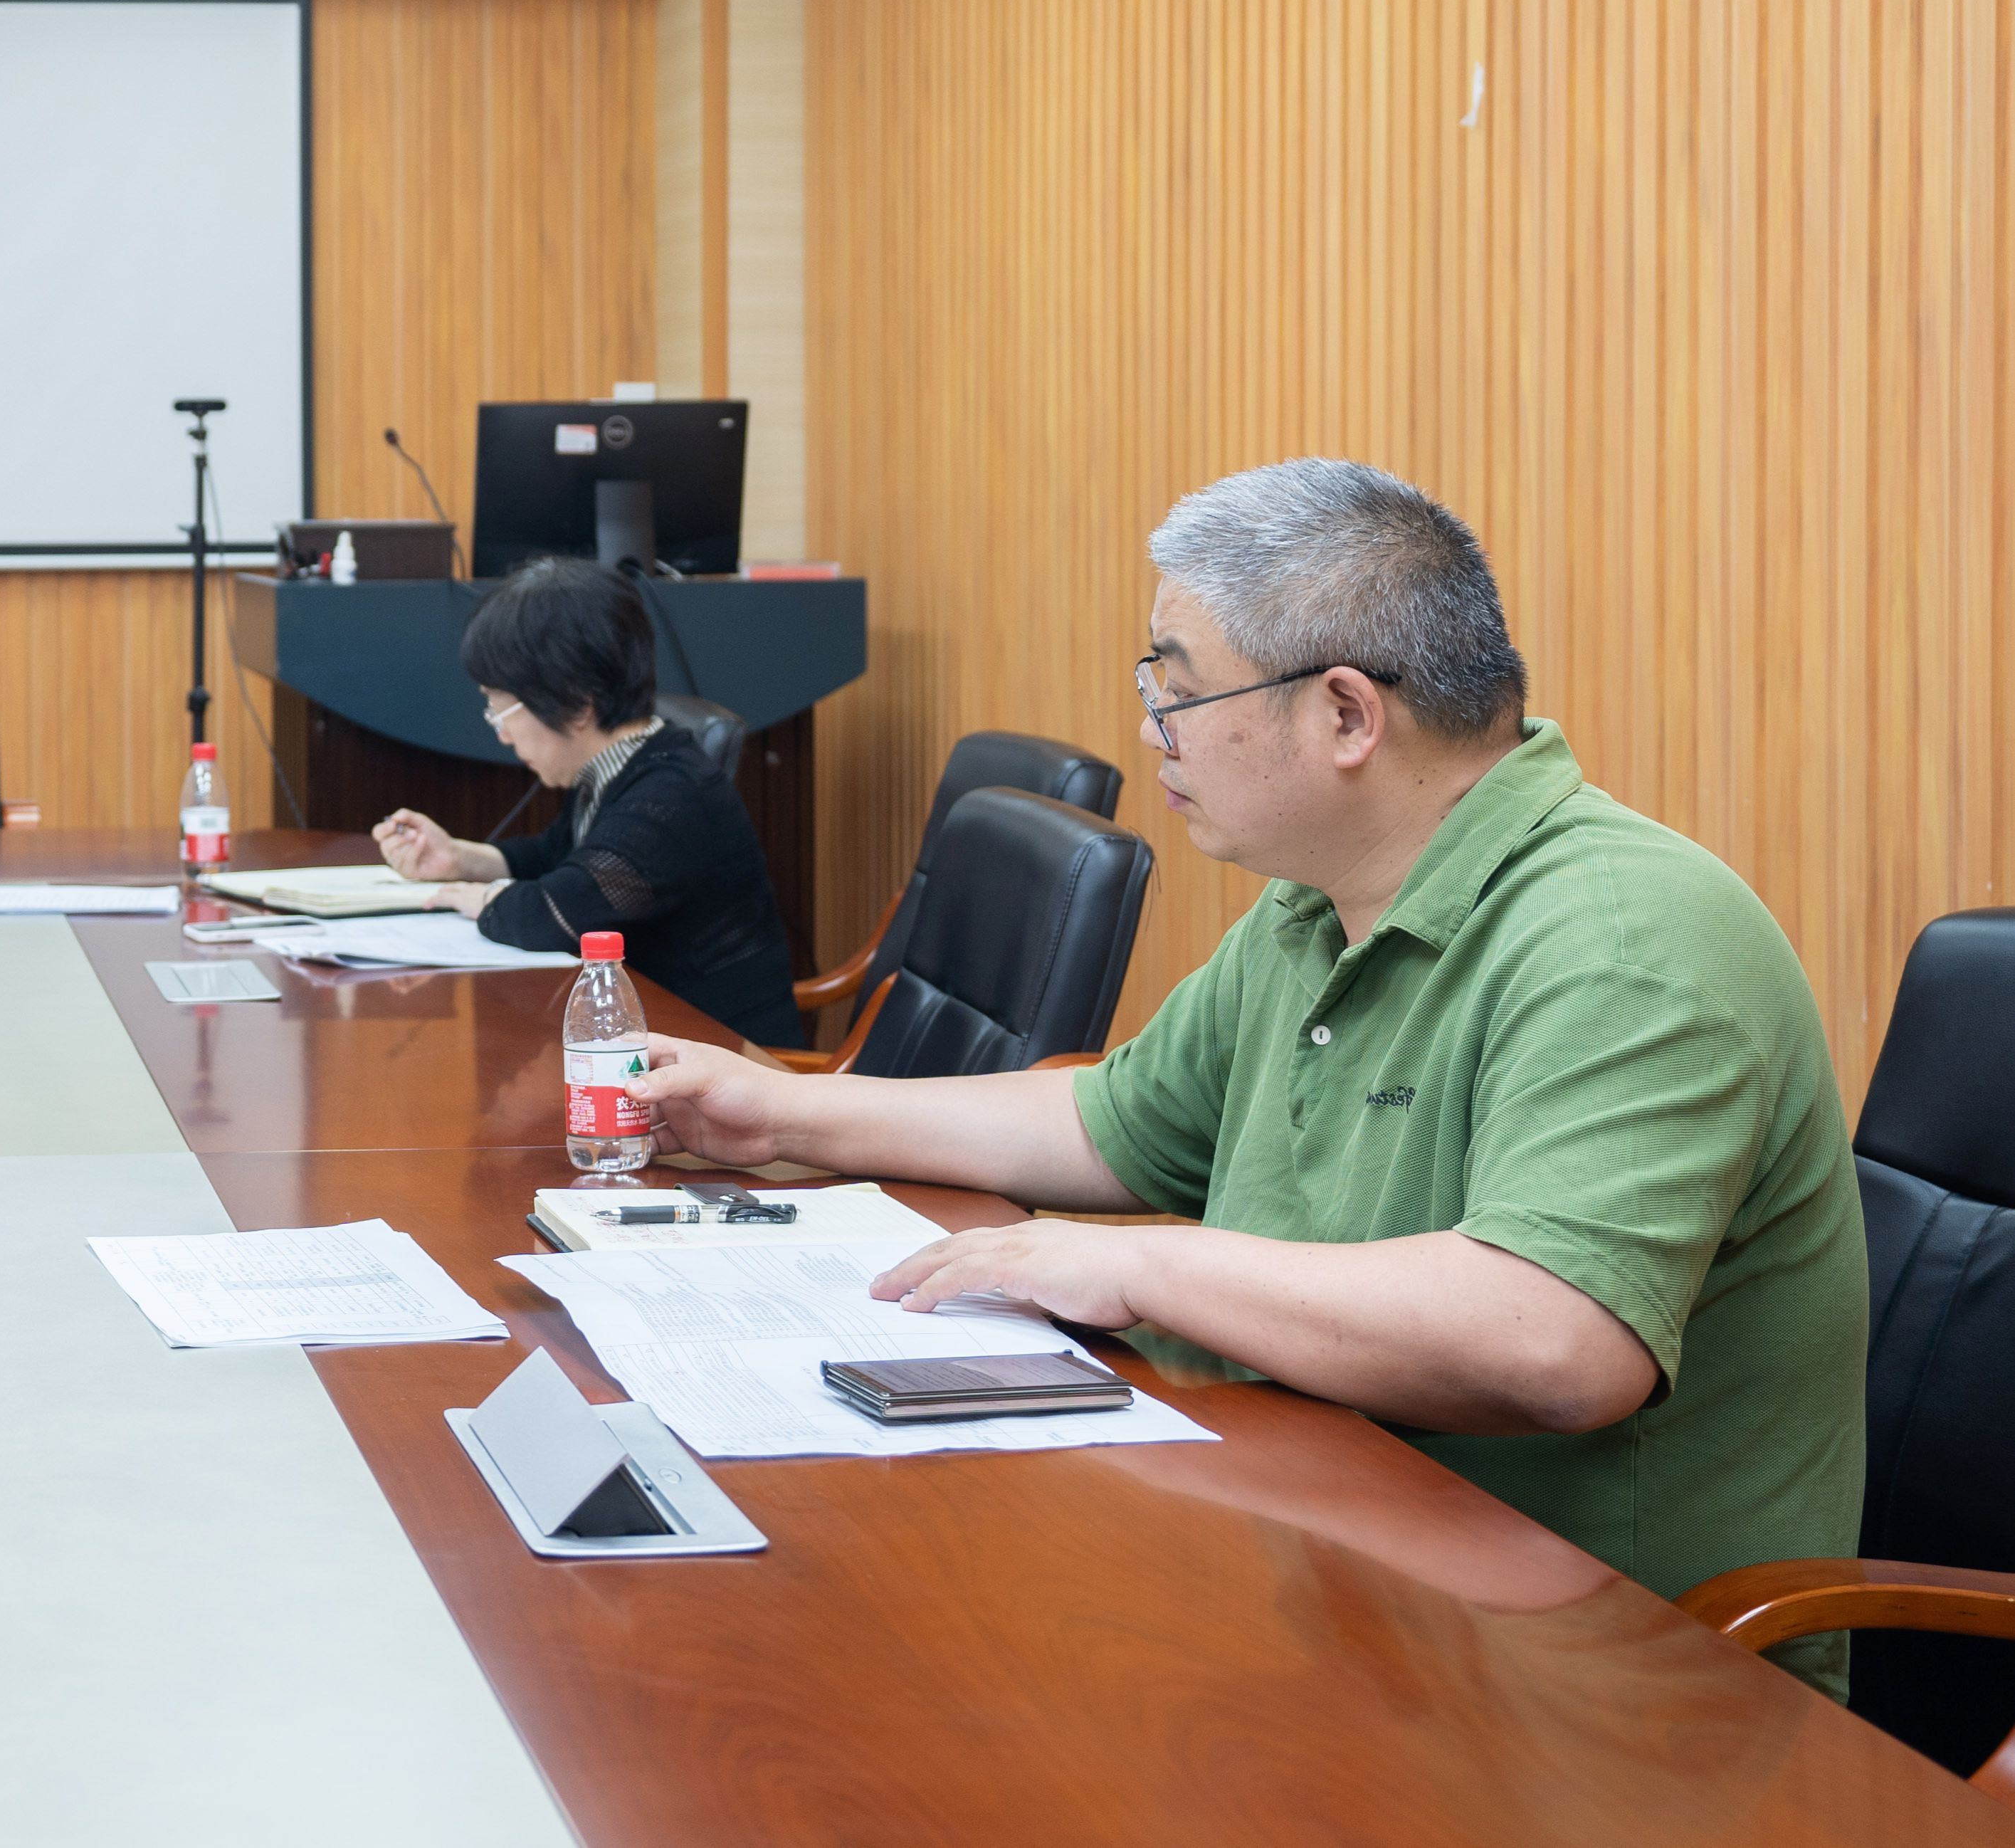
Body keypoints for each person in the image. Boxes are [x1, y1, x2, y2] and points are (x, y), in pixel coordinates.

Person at [636, 459, 1865, 1685]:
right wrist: (785, 1110)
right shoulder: (1317, 901)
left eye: (1176, 688)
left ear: (1344, 715)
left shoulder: (1624, 939)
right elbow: (1109, 1121)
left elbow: (1552, 1340)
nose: (1149, 729)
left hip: (1593, 1679)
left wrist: (1137, 1264)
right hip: (1322, 1561)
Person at [371, 556, 800, 1046]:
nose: (502, 734)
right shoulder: (619, 768)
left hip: (728, 1057)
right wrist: (458, 859)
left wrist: (479, 898)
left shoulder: (672, 798)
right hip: (657, 1043)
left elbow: (555, 916)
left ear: (575, 703)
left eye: (500, 709)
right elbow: (557, 857)